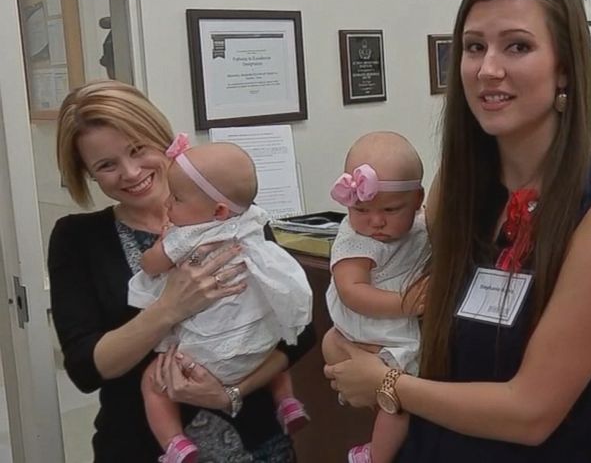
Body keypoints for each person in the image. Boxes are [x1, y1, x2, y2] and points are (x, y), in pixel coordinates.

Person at [325, 0, 591, 462]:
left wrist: (389, 384)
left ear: (564, 67)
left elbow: (531, 413)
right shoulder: (454, 187)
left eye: (516, 46)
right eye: (474, 47)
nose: (487, 68)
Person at [48, 79, 315, 462]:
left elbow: (299, 332)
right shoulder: (78, 239)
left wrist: (231, 393)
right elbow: (86, 368)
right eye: (106, 165)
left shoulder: (228, 214)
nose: (130, 172)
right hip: (139, 448)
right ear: (88, 173)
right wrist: (170, 308)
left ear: (161, 138)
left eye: (138, 149)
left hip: (259, 446)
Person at [128, 136, 313, 462]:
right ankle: (287, 401)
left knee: (152, 382)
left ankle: (175, 444)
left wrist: (163, 241)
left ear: (218, 210)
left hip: (205, 356)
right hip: (255, 346)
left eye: (177, 199)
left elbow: (150, 264)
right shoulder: (252, 222)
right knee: (274, 340)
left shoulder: (188, 235)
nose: (167, 205)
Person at [322, 131, 429, 463]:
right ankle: (374, 456)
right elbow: (351, 291)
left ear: (417, 199)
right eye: (361, 209)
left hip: (398, 323)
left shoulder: (421, 226)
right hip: (372, 324)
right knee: (397, 398)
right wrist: (404, 304)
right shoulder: (356, 240)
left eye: (392, 209)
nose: (376, 221)